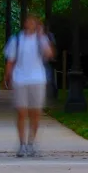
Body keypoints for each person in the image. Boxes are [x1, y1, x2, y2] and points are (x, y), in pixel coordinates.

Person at [3, 13, 55, 157]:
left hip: (37, 79)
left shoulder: (42, 39)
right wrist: (7, 77)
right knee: (21, 112)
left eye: (33, 22)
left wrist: (42, 35)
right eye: (28, 21)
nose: (30, 24)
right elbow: (10, 61)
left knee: (36, 113)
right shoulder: (16, 40)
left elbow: (49, 54)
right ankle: (22, 144)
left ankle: (31, 143)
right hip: (20, 79)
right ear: (24, 23)